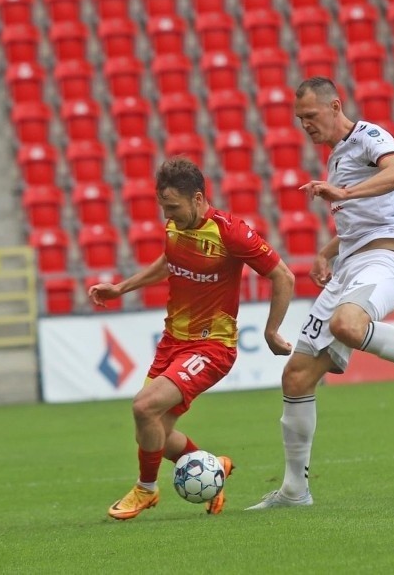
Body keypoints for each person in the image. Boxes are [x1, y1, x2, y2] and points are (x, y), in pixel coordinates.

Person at [247, 77, 394, 511]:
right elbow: (362, 219)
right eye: (299, 120)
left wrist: (345, 192)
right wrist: (327, 250)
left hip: (384, 261)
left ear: (335, 106)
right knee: (296, 377)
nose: (305, 126)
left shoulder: (370, 136)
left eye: (311, 116)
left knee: (347, 325)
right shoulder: (336, 158)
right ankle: (295, 491)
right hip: (351, 265)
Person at [89, 157, 296, 520]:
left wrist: (271, 330)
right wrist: (121, 288)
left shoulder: (230, 232)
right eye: (162, 207)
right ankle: (212, 469)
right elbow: (170, 261)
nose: (166, 215)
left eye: (172, 206)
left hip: (211, 345)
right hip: (172, 342)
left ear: (198, 199)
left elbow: (283, 275)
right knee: (152, 433)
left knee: (143, 407)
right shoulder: (175, 227)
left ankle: (146, 490)